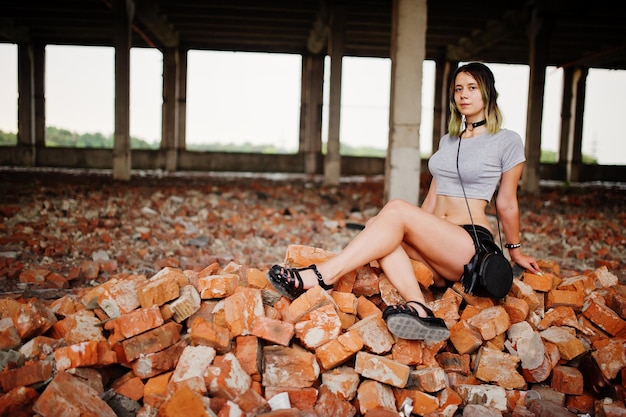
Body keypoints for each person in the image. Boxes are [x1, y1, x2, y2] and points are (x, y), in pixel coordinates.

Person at [268, 62, 541, 341]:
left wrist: (516, 251)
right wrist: (412, 228)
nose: (464, 95)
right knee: (380, 224)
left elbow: (507, 202)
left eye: (472, 88)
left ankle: (323, 275)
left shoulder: (507, 141)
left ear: (488, 93)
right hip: (438, 250)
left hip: (469, 247)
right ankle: (419, 306)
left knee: (396, 209)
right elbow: (432, 199)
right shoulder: (449, 141)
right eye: (458, 89)